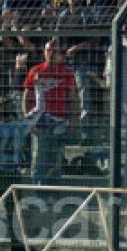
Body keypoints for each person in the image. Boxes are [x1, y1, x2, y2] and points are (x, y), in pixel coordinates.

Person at [20, 39, 78, 183]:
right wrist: (28, 121)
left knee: (56, 157)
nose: (51, 53)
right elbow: (27, 97)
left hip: (59, 121)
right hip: (40, 121)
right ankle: (38, 188)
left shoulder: (67, 73)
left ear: (60, 54)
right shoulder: (35, 71)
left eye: (54, 51)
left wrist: (73, 122)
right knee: (39, 156)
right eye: (48, 50)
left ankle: (54, 189)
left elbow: (73, 99)